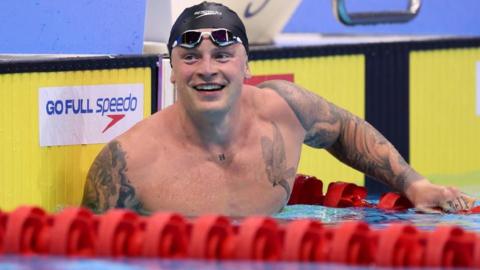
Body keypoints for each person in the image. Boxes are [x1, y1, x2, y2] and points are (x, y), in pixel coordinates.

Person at [82, 1, 474, 216]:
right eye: (190, 57)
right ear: (171, 69)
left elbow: (344, 130)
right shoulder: (127, 165)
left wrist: (414, 184)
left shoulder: (284, 109)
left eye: (222, 55)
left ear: (246, 64)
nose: (206, 70)